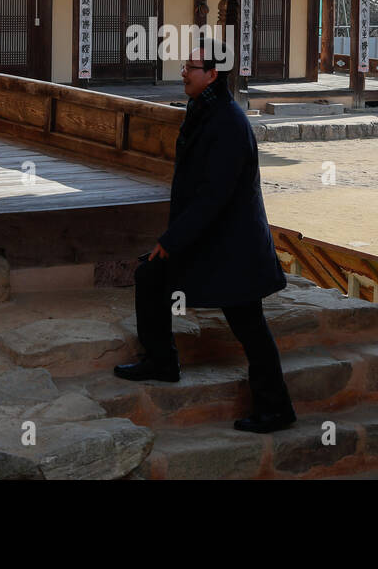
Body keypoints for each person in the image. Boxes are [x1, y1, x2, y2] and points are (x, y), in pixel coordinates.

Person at [114, 35, 296, 433]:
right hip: (211, 237)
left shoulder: (229, 123)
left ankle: (276, 408)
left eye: (191, 68)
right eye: (184, 66)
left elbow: (214, 196)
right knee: (150, 276)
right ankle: (161, 362)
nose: (183, 73)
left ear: (213, 74)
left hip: (233, 246)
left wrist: (171, 240)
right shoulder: (203, 110)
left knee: (249, 324)